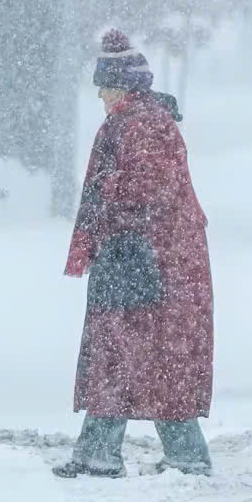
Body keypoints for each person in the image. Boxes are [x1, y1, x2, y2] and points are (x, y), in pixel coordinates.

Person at [53, 28, 215, 478]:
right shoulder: (137, 119)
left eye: (105, 85)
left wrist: (107, 199)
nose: (101, 94)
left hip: (149, 261)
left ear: (123, 86)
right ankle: (169, 456)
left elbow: (146, 187)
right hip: (152, 260)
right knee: (151, 359)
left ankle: (110, 455)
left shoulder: (142, 123)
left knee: (128, 354)